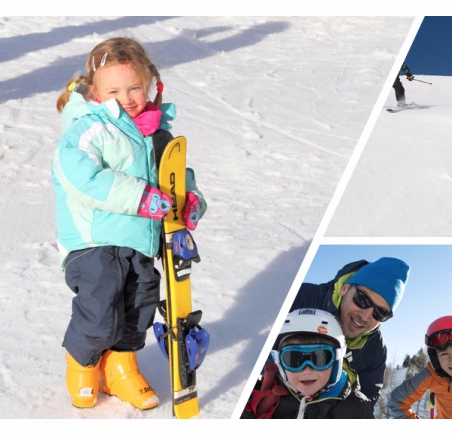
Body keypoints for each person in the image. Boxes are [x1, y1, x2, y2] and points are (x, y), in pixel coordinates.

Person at [52, 36, 207, 410]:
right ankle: (83, 364)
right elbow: (81, 180)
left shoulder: (157, 134)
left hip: (141, 241)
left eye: (134, 87)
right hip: (94, 242)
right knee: (100, 310)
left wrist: (191, 204)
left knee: (140, 306)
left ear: (150, 83)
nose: (127, 97)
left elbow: (177, 177)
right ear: (94, 90)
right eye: (114, 90)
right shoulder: (88, 128)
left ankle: (121, 365)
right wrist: (139, 197)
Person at [290, 257, 410, 408]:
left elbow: (368, 396)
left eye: (380, 313)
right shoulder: (298, 298)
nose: (365, 316)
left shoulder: (374, 349)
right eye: (363, 300)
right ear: (345, 288)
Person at [242, 308, 373, 419]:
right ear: (280, 362)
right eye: (294, 360)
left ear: (336, 362)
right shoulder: (258, 394)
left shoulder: (356, 408)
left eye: (319, 358)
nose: (307, 370)